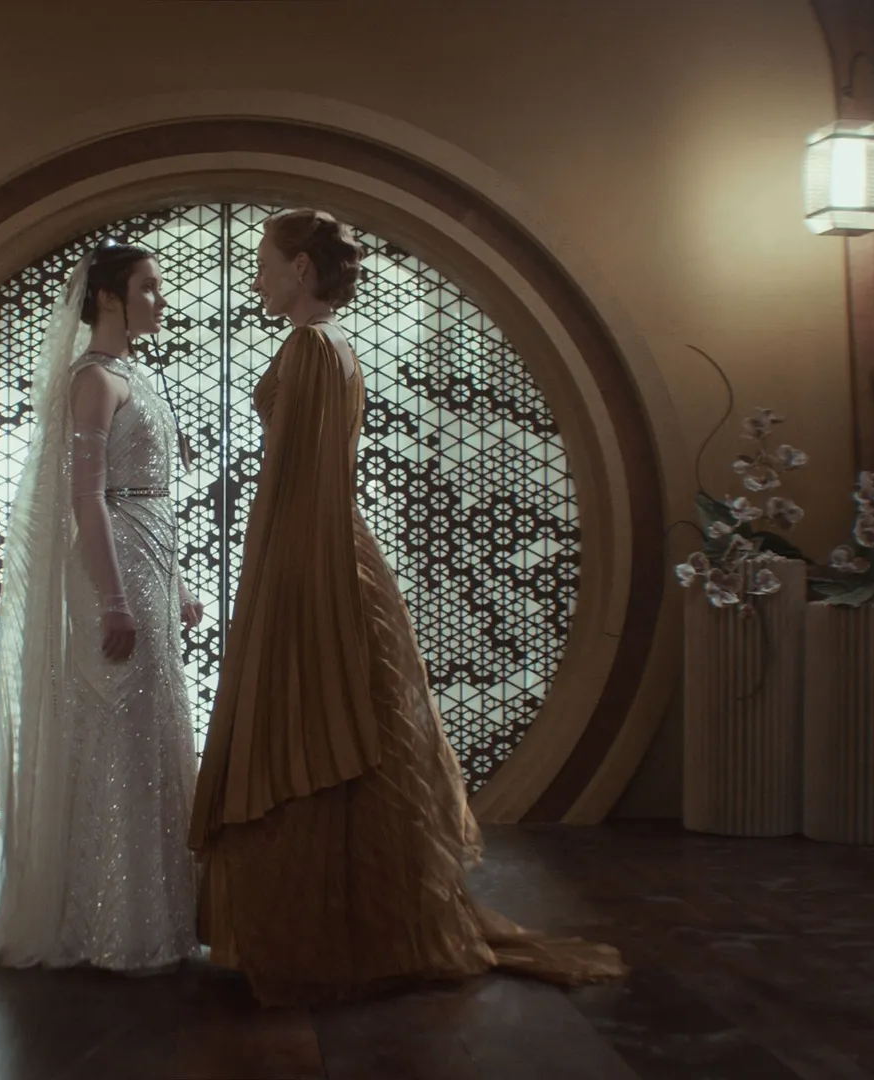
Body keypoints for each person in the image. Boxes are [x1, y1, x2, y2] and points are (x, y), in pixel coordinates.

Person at [188, 209, 628, 1007]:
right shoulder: (326, 347)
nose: (255, 275)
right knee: (356, 737)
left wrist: (283, 591)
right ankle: (358, 926)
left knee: (328, 724)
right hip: (324, 550)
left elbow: (305, 483)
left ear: (301, 273)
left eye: (264, 261)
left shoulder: (312, 348)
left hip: (317, 556)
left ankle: (340, 934)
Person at [0, 240, 203, 977]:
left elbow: (151, 492)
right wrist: (114, 598)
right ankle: (109, 920)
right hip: (112, 566)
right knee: (117, 724)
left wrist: (175, 584)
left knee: (152, 727)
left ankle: (162, 913)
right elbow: (85, 498)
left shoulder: (135, 375)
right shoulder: (93, 380)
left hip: (150, 558)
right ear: (110, 298)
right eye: (148, 288)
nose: (160, 300)